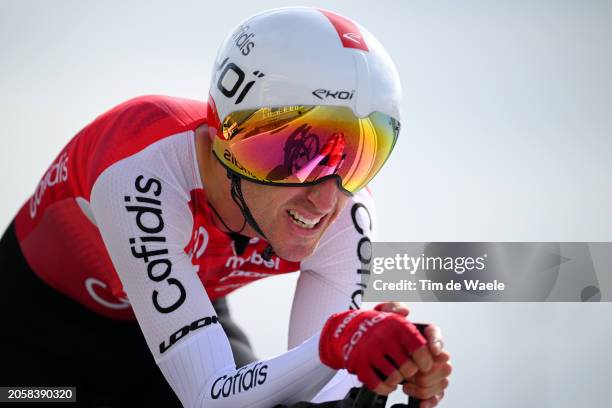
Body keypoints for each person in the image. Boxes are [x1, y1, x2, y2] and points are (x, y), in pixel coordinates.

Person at [0, 7, 451, 408]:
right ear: (229, 141)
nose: (326, 199)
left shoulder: (346, 212)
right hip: (37, 330)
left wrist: (386, 372)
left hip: (184, 318)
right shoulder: (143, 167)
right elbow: (209, 394)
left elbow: (325, 393)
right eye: (299, 156)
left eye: (357, 158)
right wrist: (335, 343)